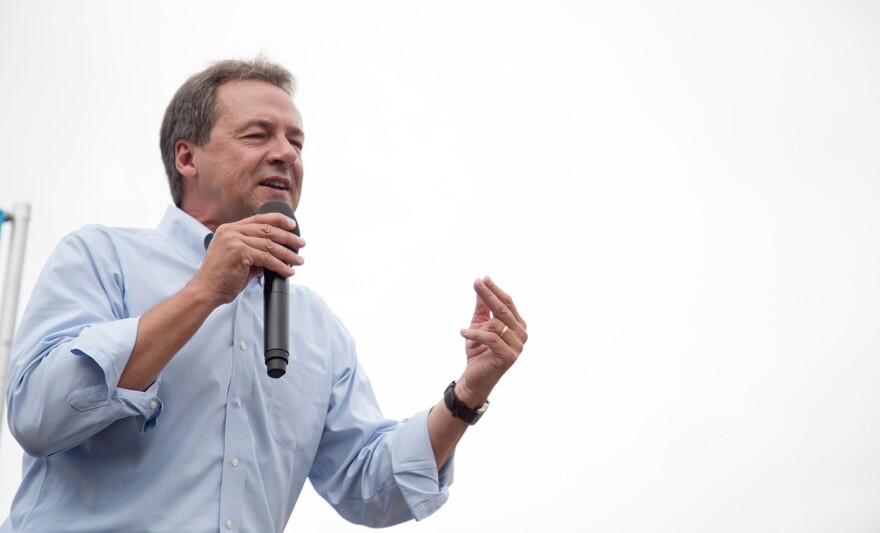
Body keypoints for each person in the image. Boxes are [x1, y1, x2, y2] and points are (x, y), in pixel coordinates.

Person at [1, 57, 527, 532]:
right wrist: (205, 290)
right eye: (258, 136)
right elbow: (38, 415)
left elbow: (370, 488)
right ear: (188, 157)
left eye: (296, 143)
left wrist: (468, 394)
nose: (285, 154)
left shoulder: (317, 328)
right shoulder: (102, 257)